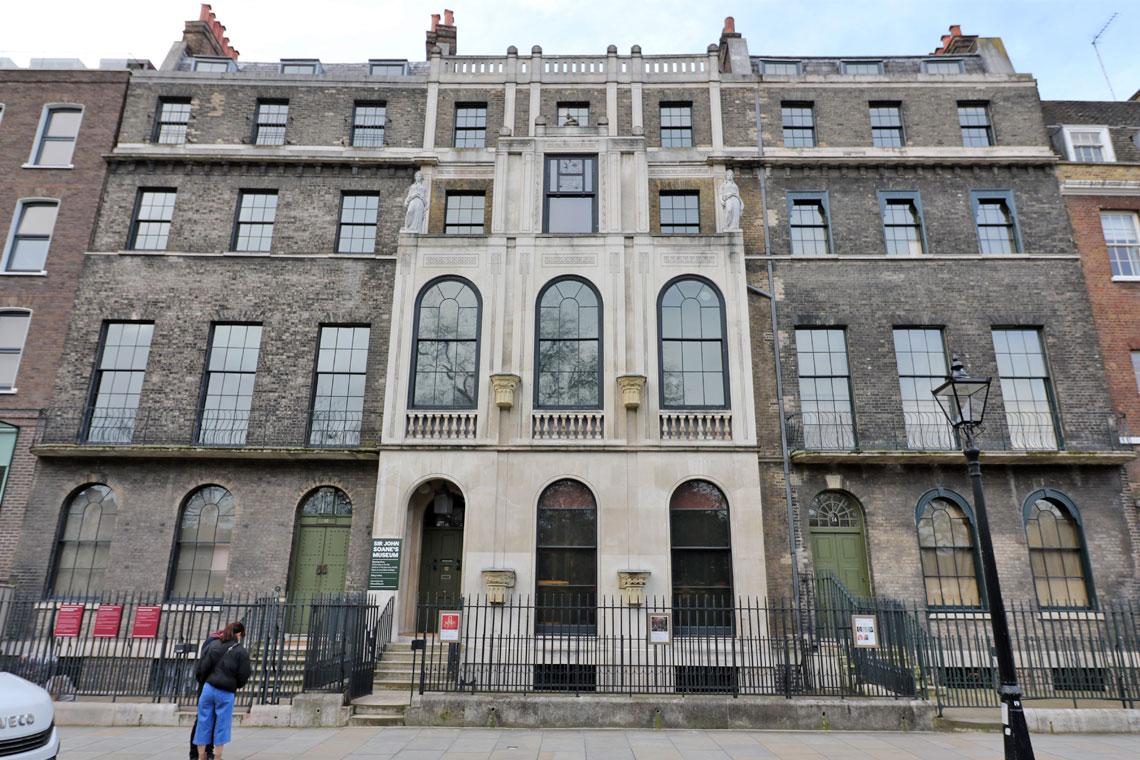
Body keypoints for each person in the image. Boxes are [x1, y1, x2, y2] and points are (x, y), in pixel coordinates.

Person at [194, 622, 251, 760]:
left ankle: (201, 756)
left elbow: (201, 667)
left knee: (203, 721)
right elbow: (244, 674)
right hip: (226, 691)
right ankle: (217, 757)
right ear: (238, 634)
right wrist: (235, 685)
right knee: (222, 724)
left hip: (208, 688)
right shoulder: (240, 651)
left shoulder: (213, 645)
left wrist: (205, 682)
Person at [189, 628, 225, 760]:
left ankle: (208, 752)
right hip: (207, 686)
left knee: (213, 719)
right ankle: (195, 754)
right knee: (203, 719)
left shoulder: (221, 644)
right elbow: (203, 667)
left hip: (217, 686)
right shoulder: (213, 643)